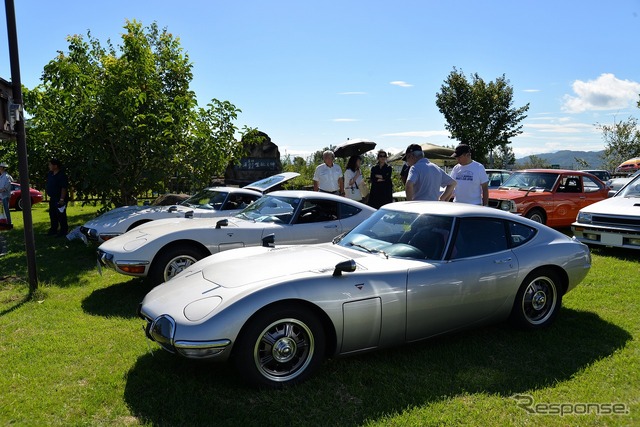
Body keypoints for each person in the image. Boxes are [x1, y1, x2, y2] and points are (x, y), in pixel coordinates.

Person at [45, 158, 69, 237]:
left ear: (55, 166)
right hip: (53, 197)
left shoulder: (61, 175)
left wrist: (61, 199)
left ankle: (63, 231)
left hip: (60, 198)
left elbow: (64, 188)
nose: (49, 166)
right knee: (52, 214)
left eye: (50, 164)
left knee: (61, 215)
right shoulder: (50, 174)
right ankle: (53, 230)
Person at [0, 162, 12, 228]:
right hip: (1, 196)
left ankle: (9, 223)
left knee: (6, 210)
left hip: (5, 196)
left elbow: (7, 186)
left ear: (2, 168)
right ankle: (4, 223)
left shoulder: (6, 176)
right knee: (2, 211)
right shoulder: (1, 177)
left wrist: (1, 190)